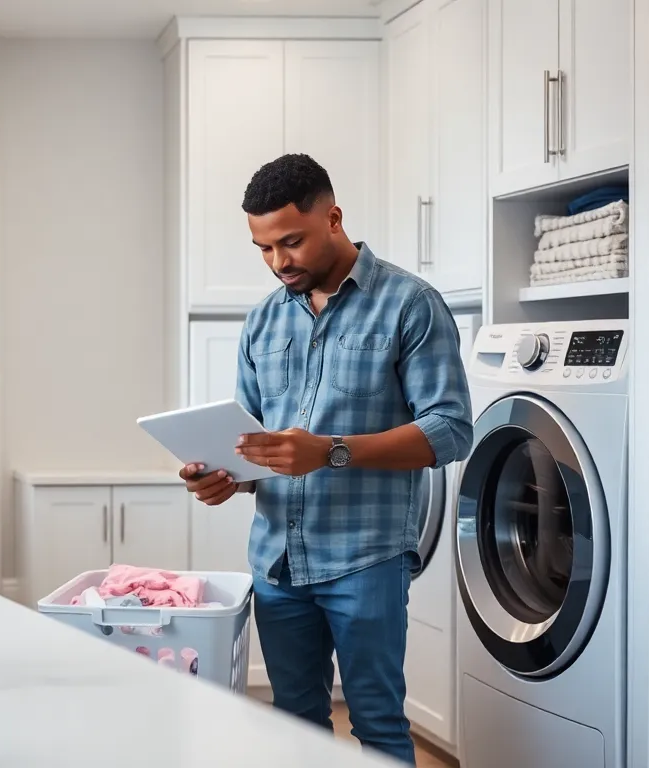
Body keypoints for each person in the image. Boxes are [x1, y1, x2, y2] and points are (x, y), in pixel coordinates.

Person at [180, 154, 472, 765]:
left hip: (366, 558)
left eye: (291, 241)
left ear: (333, 217)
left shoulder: (410, 304)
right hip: (278, 563)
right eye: (263, 248)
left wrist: (331, 451)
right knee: (296, 730)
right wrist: (222, 478)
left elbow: (450, 432)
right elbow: (257, 443)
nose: (279, 262)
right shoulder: (263, 320)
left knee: (379, 728)